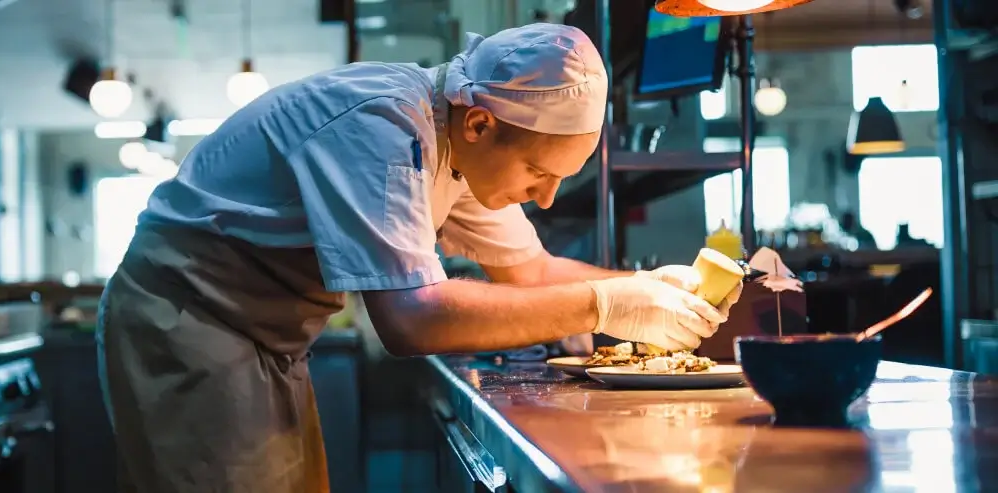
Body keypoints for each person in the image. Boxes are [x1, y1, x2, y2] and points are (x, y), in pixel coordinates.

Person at [96, 23, 743, 493]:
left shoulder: (463, 147)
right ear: (480, 124)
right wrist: (607, 302)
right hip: (186, 321)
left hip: (262, 339)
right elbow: (412, 319)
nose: (544, 198)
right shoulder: (384, 128)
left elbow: (534, 271)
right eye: (538, 174)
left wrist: (652, 287)